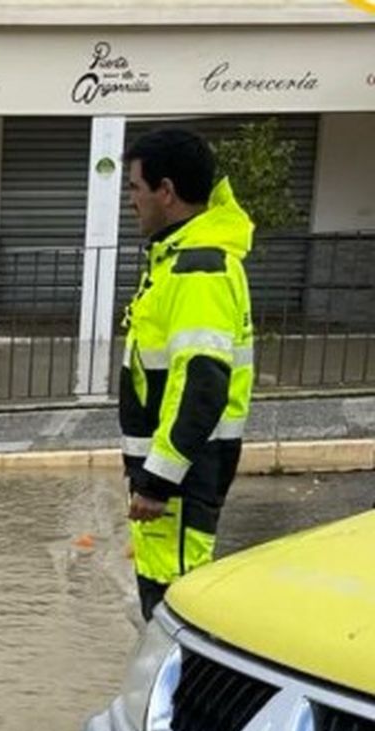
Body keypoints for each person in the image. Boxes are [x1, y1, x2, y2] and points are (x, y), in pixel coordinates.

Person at [119, 129, 255, 621]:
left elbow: (202, 381)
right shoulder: (178, 259)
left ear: (166, 191)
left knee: (174, 618)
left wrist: (158, 480)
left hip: (179, 482)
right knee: (166, 611)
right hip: (172, 480)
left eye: (135, 188)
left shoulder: (197, 270)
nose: (131, 201)